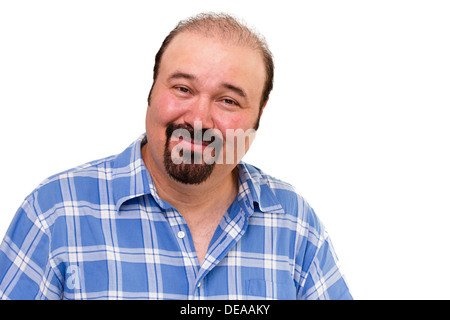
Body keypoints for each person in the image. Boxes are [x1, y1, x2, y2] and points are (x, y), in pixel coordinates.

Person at [0, 12, 352, 300]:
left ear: (259, 113)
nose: (198, 120)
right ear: (152, 91)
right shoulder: (54, 213)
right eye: (183, 89)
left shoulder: (295, 224)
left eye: (228, 100)